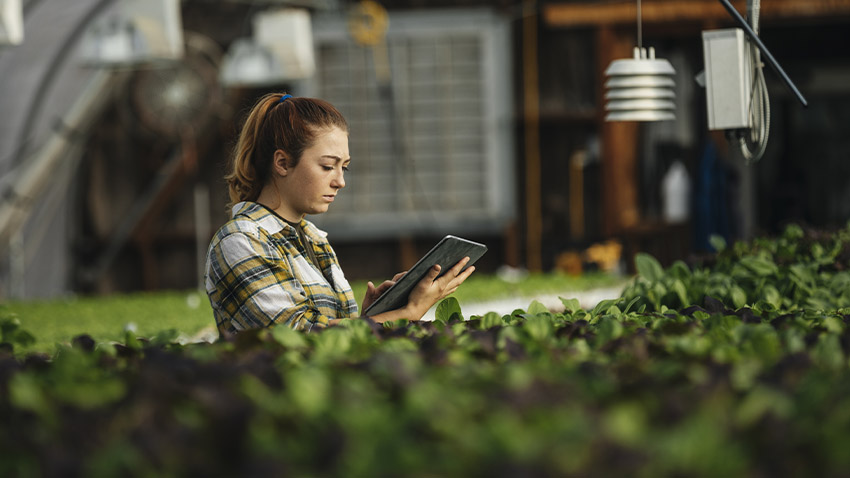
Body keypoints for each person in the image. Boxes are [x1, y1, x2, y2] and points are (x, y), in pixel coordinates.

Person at [204, 93, 475, 336]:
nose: (340, 181)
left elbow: (334, 338)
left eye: (344, 168)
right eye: (327, 166)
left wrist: (372, 315)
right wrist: (407, 314)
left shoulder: (313, 238)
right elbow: (298, 337)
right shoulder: (240, 241)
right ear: (282, 163)